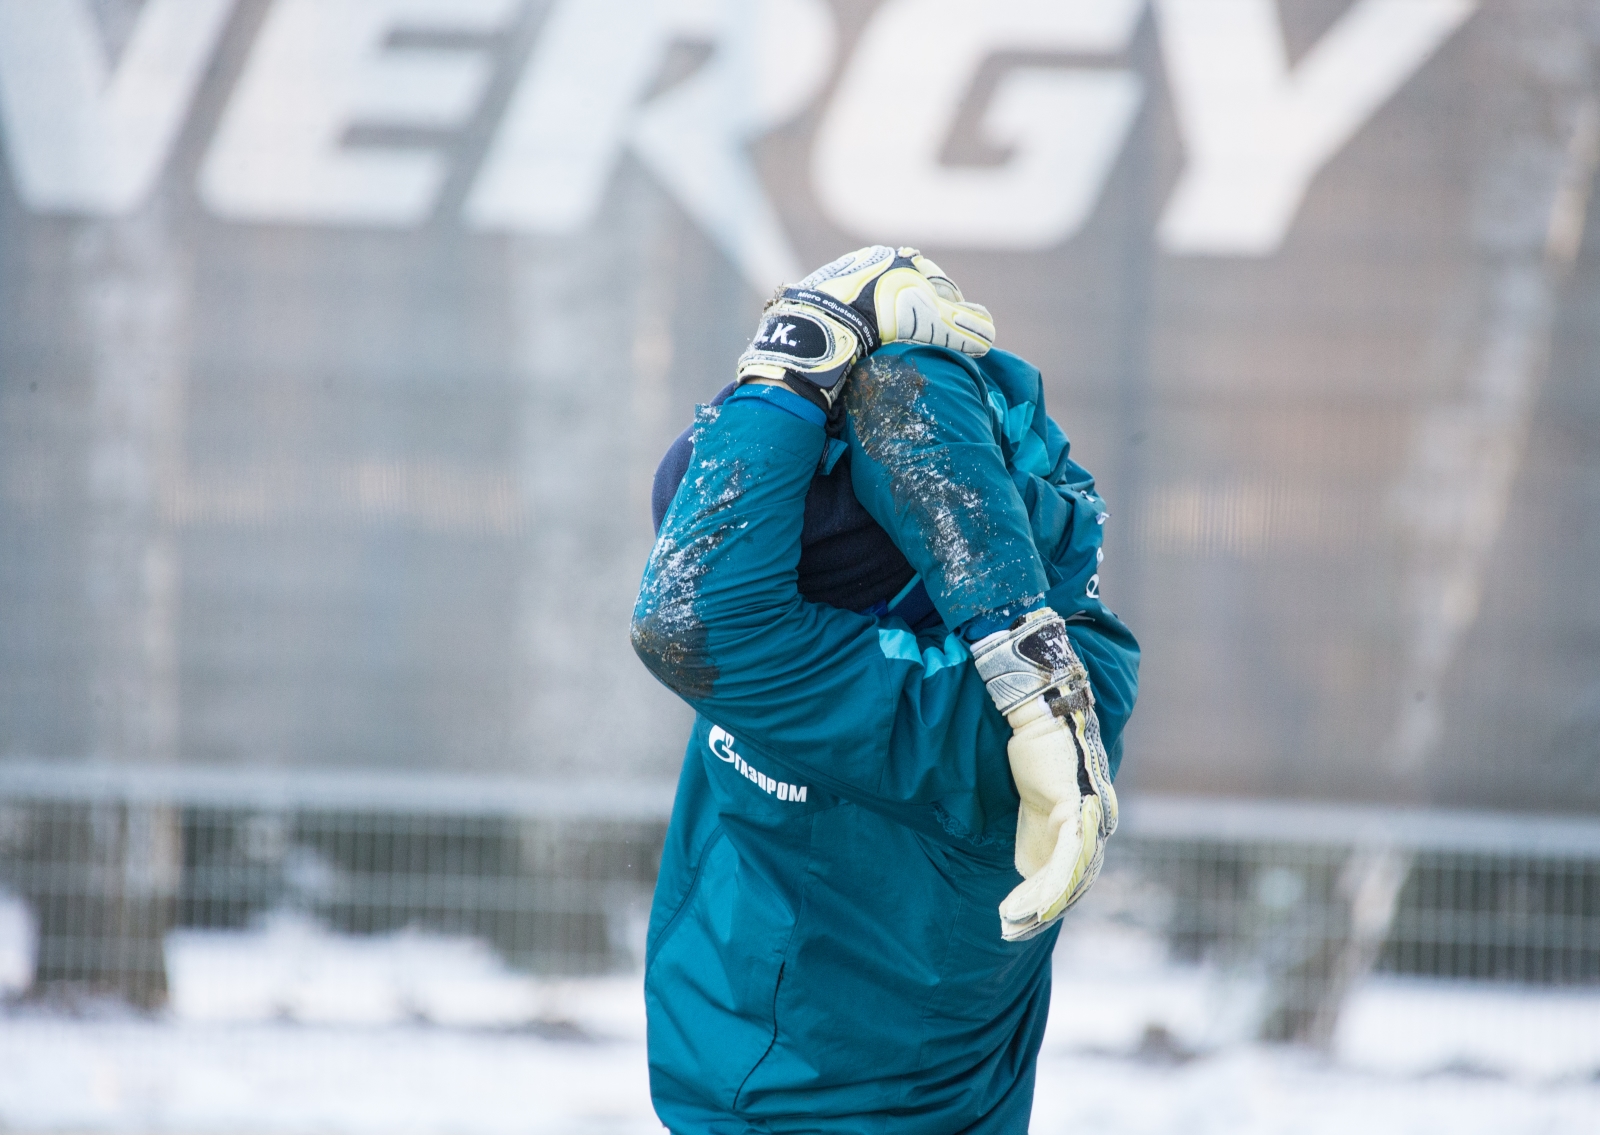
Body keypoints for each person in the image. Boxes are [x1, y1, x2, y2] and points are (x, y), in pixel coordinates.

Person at [632, 248, 1139, 1133]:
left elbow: (692, 614)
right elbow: (927, 402)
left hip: (822, 1112)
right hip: (763, 1089)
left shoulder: (976, 732)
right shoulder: (1028, 634)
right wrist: (829, 351)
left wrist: (800, 347)